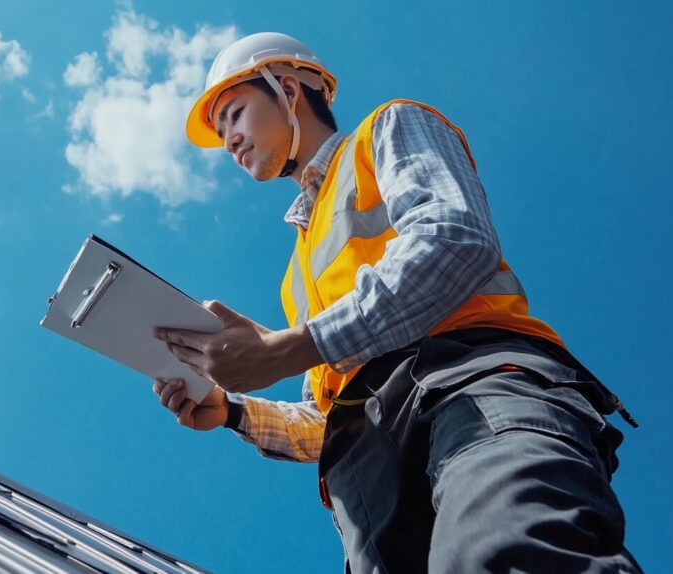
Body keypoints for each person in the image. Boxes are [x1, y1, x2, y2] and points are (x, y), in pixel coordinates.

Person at [150, 32, 642, 573]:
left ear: (287, 88)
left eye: (235, 115)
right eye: (222, 133)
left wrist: (292, 348)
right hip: (367, 478)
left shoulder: (388, 127)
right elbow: (326, 415)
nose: (229, 142)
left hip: (468, 385)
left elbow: (454, 240)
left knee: (505, 553)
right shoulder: (296, 275)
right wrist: (233, 411)